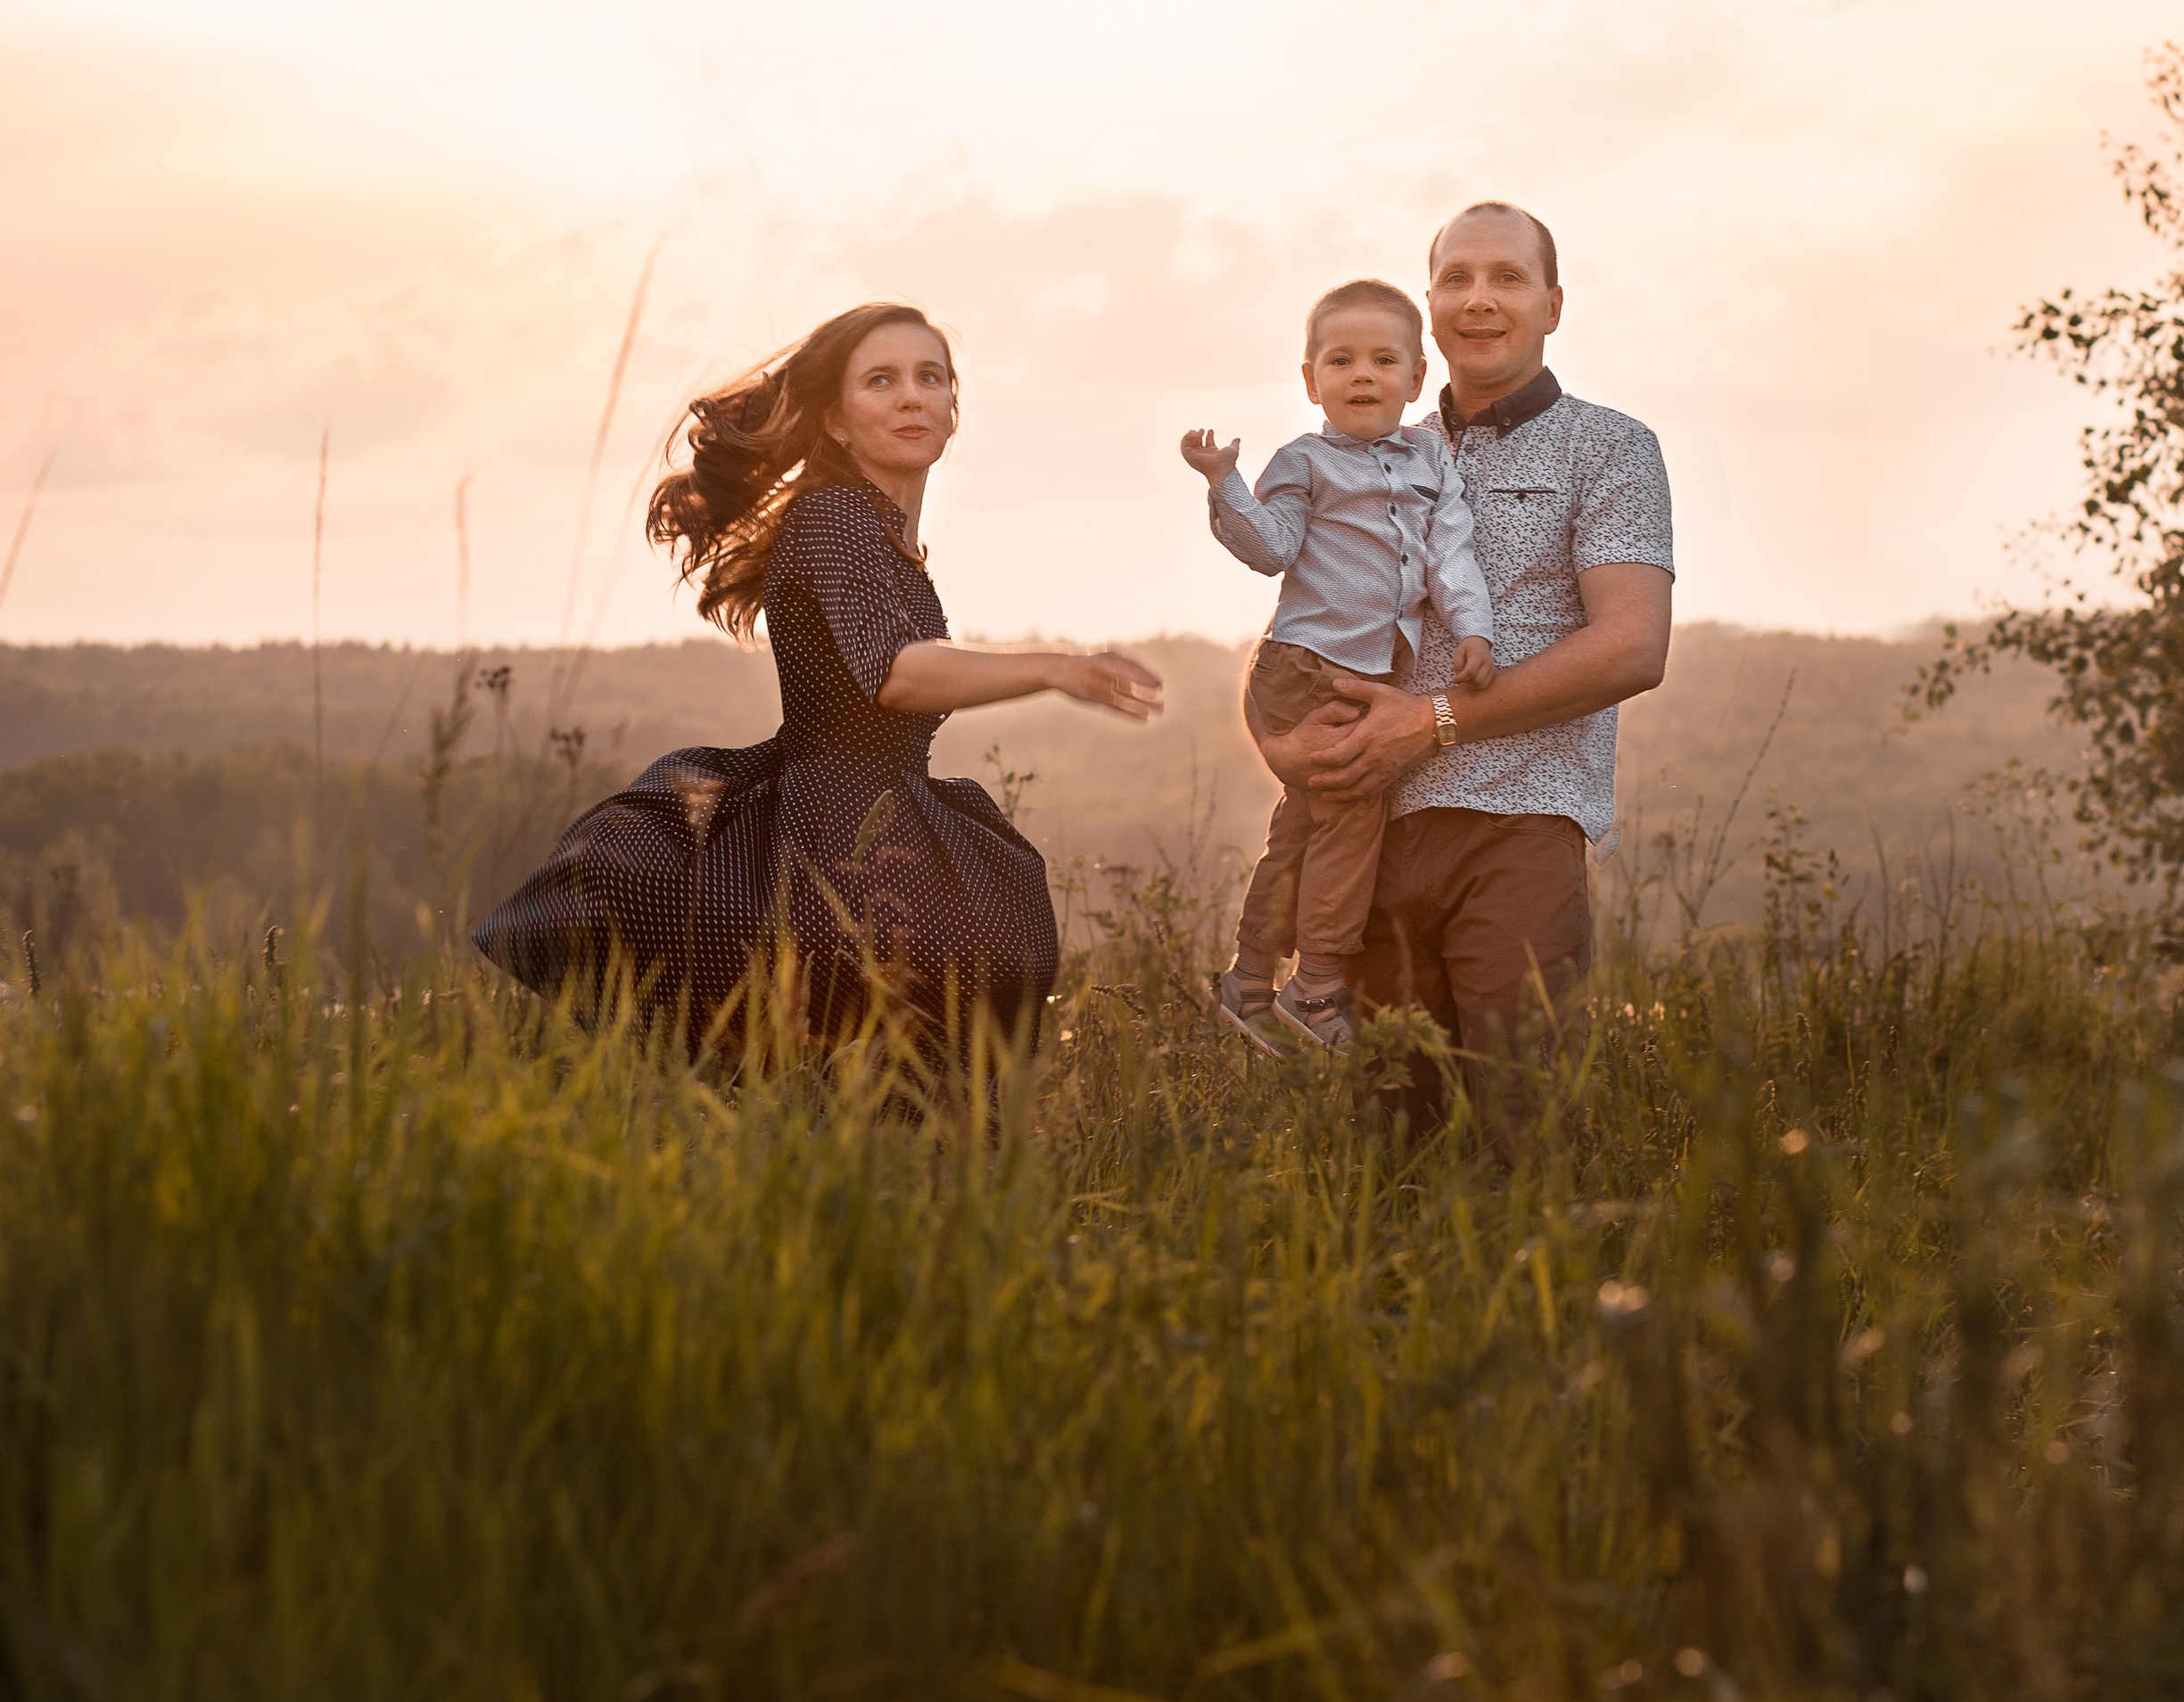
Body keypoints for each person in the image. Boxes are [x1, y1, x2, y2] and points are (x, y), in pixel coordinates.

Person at [474, 302, 1162, 1059]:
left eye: (930, 377)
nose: (911, 395)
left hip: (881, 811)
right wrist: (1057, 667)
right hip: (826, 831)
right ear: (835, 421)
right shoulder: (834, 516)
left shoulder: (884, 537)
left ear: (952, 408)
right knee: (868, 1055)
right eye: (881, 380)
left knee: (898, 1058)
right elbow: (893, 673)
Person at [1249, 203, 1673, 1131]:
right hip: (1366, 831)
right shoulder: (1357, 443)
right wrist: (1288, 747)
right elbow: (1307, 623)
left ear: (1553, 305)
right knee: (1389, 1136)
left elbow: (1631, 645)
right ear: (1428, 310)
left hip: (1519, 826)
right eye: (1456, 280)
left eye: (1508, 279)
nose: (1479, 300)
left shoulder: (1612, 448)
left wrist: (1430, 719)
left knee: (1521, 1123)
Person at [1181, 279, 1496, 1053]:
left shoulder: (1430, 458)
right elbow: (1271, 549)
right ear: (1310, 379)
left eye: (1384, 359)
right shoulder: (1307, 462)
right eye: (1341, 359)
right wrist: (1223, 481)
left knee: (1303, 823)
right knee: (1354, 813)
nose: (1363, 375)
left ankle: (1248, 977)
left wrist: (1473, 627)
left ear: (1418, 379)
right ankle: (1318, 984)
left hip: (1367, 673)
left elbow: (1451, 549)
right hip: (1304, 668)